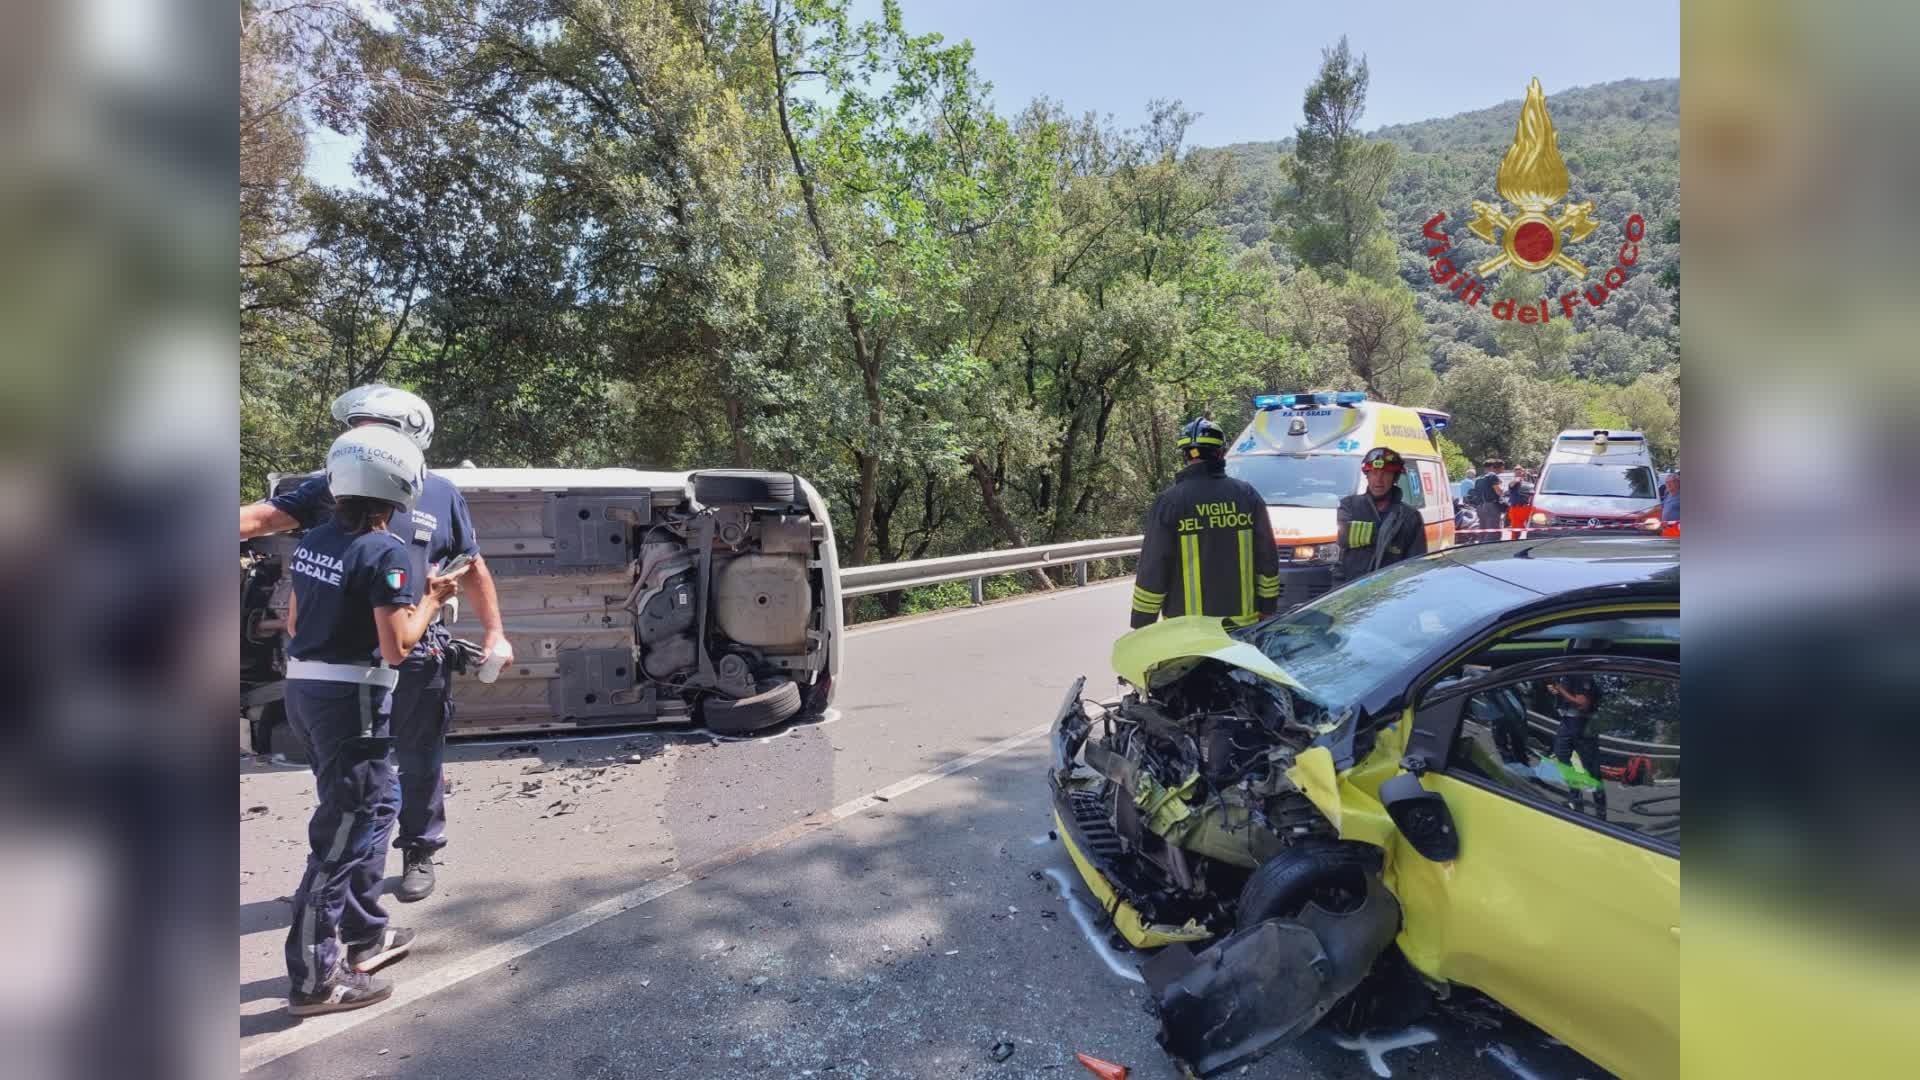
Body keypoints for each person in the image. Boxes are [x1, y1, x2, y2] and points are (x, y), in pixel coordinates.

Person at [242, 384, 508, 902]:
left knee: (419, 754)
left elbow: (471, 564)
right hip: (349, 664)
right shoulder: (332, 485)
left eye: (371, 430)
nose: (357, 441)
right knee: (348, 772)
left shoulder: (442, 493)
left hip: (414, 650)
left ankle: (419, 847)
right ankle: (346, 866)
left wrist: (495, 630)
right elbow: (264, 519)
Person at [283, 427, 467, 1014]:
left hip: (306, 692)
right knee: (338, 841)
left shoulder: (313, 539)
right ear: (401, 486)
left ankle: (366, 935)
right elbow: (398, 647)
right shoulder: (385, 551)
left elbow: (293, 623)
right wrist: (434, 598)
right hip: (353, 702)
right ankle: (315, 981)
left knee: (375, 806)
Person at [1131, 418, 1281, 629]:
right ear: (1220, 453)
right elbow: (1267, 557)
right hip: (1241, 629)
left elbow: (1154, 565)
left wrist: (1142, 622)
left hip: (1189, 633)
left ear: (1186, 455)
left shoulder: (1170, 501)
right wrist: (1268, 607)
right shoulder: (1246, 496)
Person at [1331, 447, 1428, 583]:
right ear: (1367, 475)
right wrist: (1388, 534)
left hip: (1389, 595)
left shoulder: (1410, 517)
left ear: (1395, 478)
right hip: (1351, 592)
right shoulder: (1350, 506)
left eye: (1386, 473)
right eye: (1374, 472)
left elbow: (1415, 567)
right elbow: (1344, 538)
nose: (1379, 479)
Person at [1506, 466, 1535, 532]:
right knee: (1516, 530)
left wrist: (1527, 475)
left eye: (1520, 472)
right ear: (1514, 473)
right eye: (1517, 472)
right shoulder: (1513, 481)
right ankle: (1514, 541)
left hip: (1525, 507)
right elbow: (1512, 484)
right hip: (1516, 507)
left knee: (1523, 528)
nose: (1519, 474)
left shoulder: (1526, 482)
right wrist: (1519, 477)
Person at [1660, 467, 1680, 536]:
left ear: (1677, 483)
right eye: (1666, 482)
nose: (1668, 485)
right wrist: (1643, 515)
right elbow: (1661, 507)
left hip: (1677, 531)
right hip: (1666, 530)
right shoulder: (1667, 494)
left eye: (1671, 482)